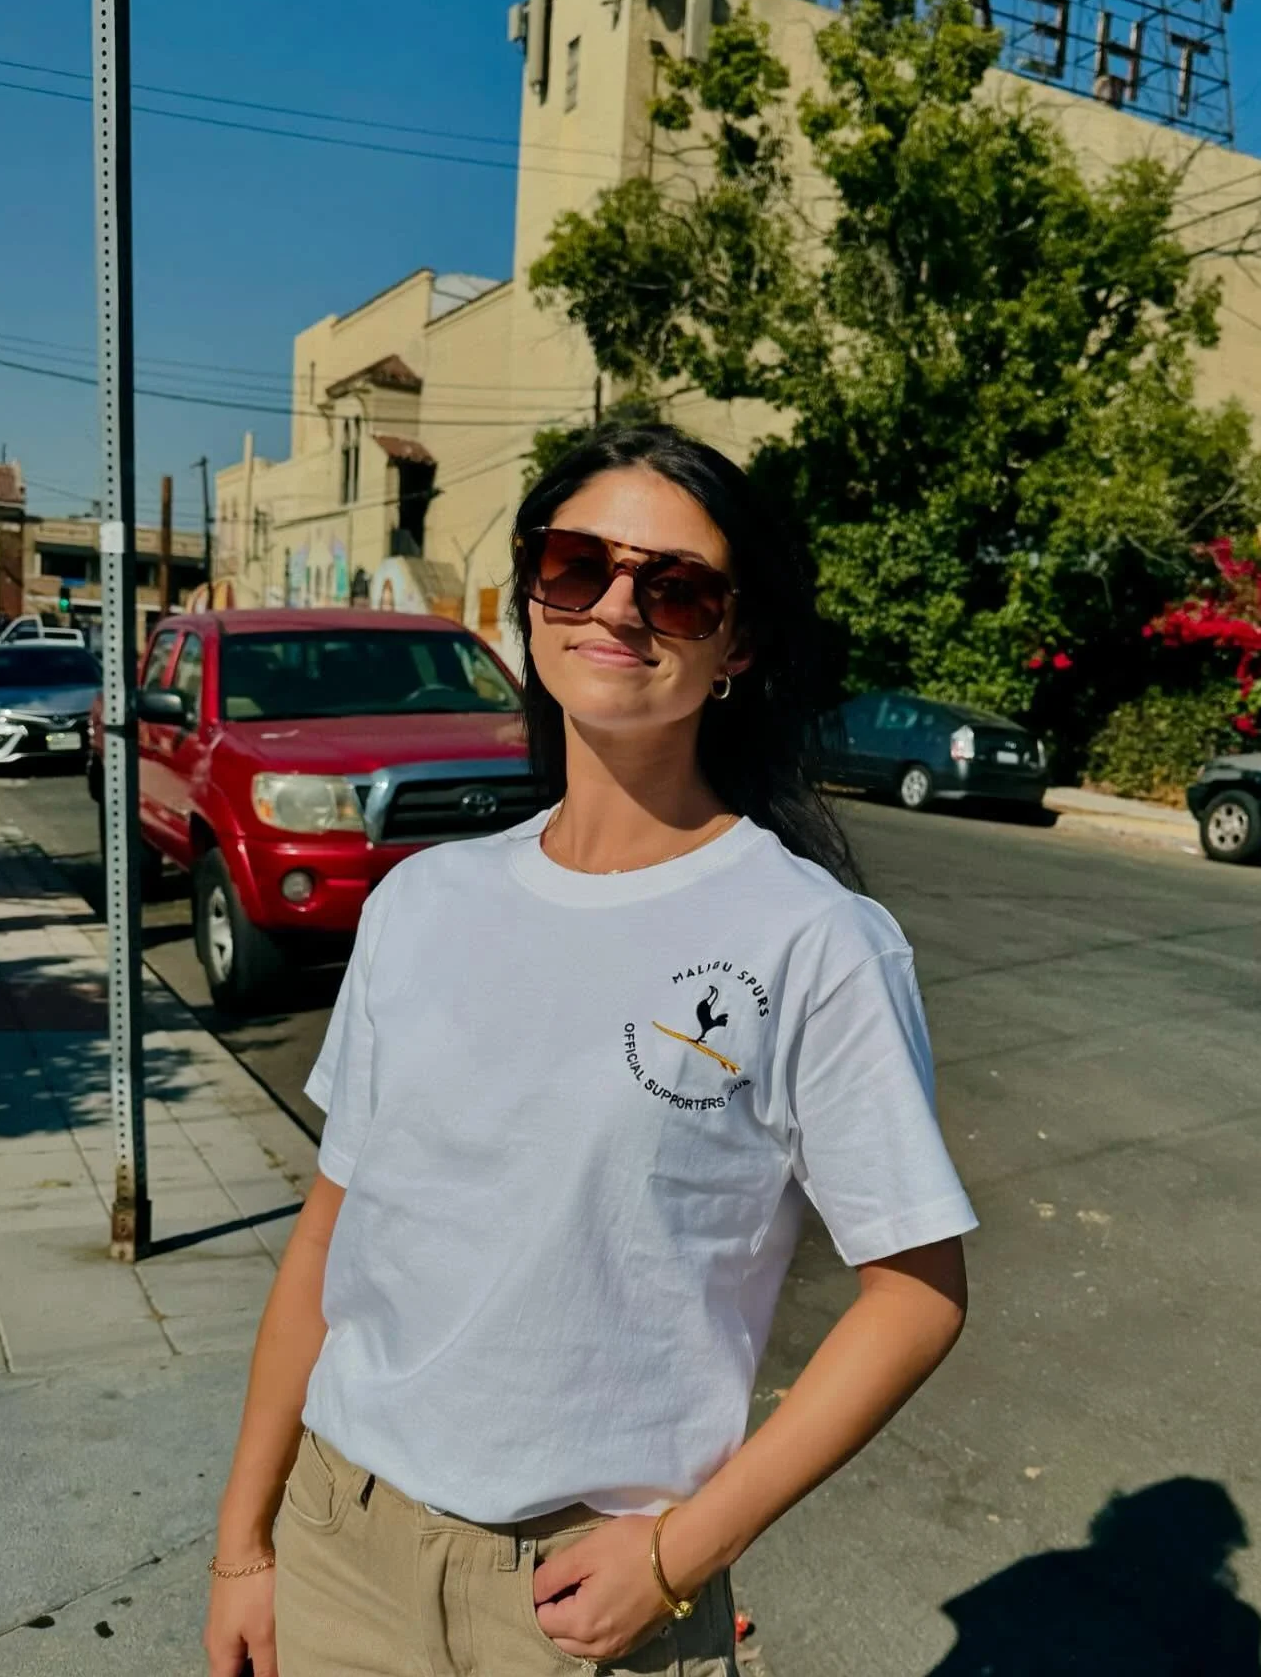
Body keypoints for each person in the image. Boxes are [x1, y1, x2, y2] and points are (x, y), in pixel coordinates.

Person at [204, 424, 977, 1677]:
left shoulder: (813, 940)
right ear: (529, 595)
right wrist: (245, 1545)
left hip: (586, 1599)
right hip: (343, 1542)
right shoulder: (423, 902)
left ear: (738, 642)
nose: (620, 607)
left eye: (676, 587)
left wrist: (679, 1554)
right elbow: (328, 1238)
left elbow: (915, 1292)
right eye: (579, 565)